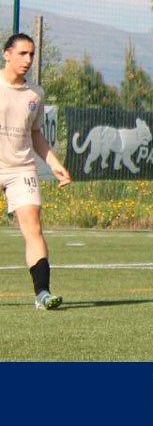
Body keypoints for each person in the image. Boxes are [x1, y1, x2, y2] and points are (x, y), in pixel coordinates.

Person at [0, 33, 73, 310]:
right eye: (22, 53)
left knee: (33, 225)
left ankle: (42, 294)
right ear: (7, 54)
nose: (28, 59)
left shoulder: (35, 94)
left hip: (21, 168)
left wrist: (54, 163)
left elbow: (35, 134)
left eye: (32, 54)